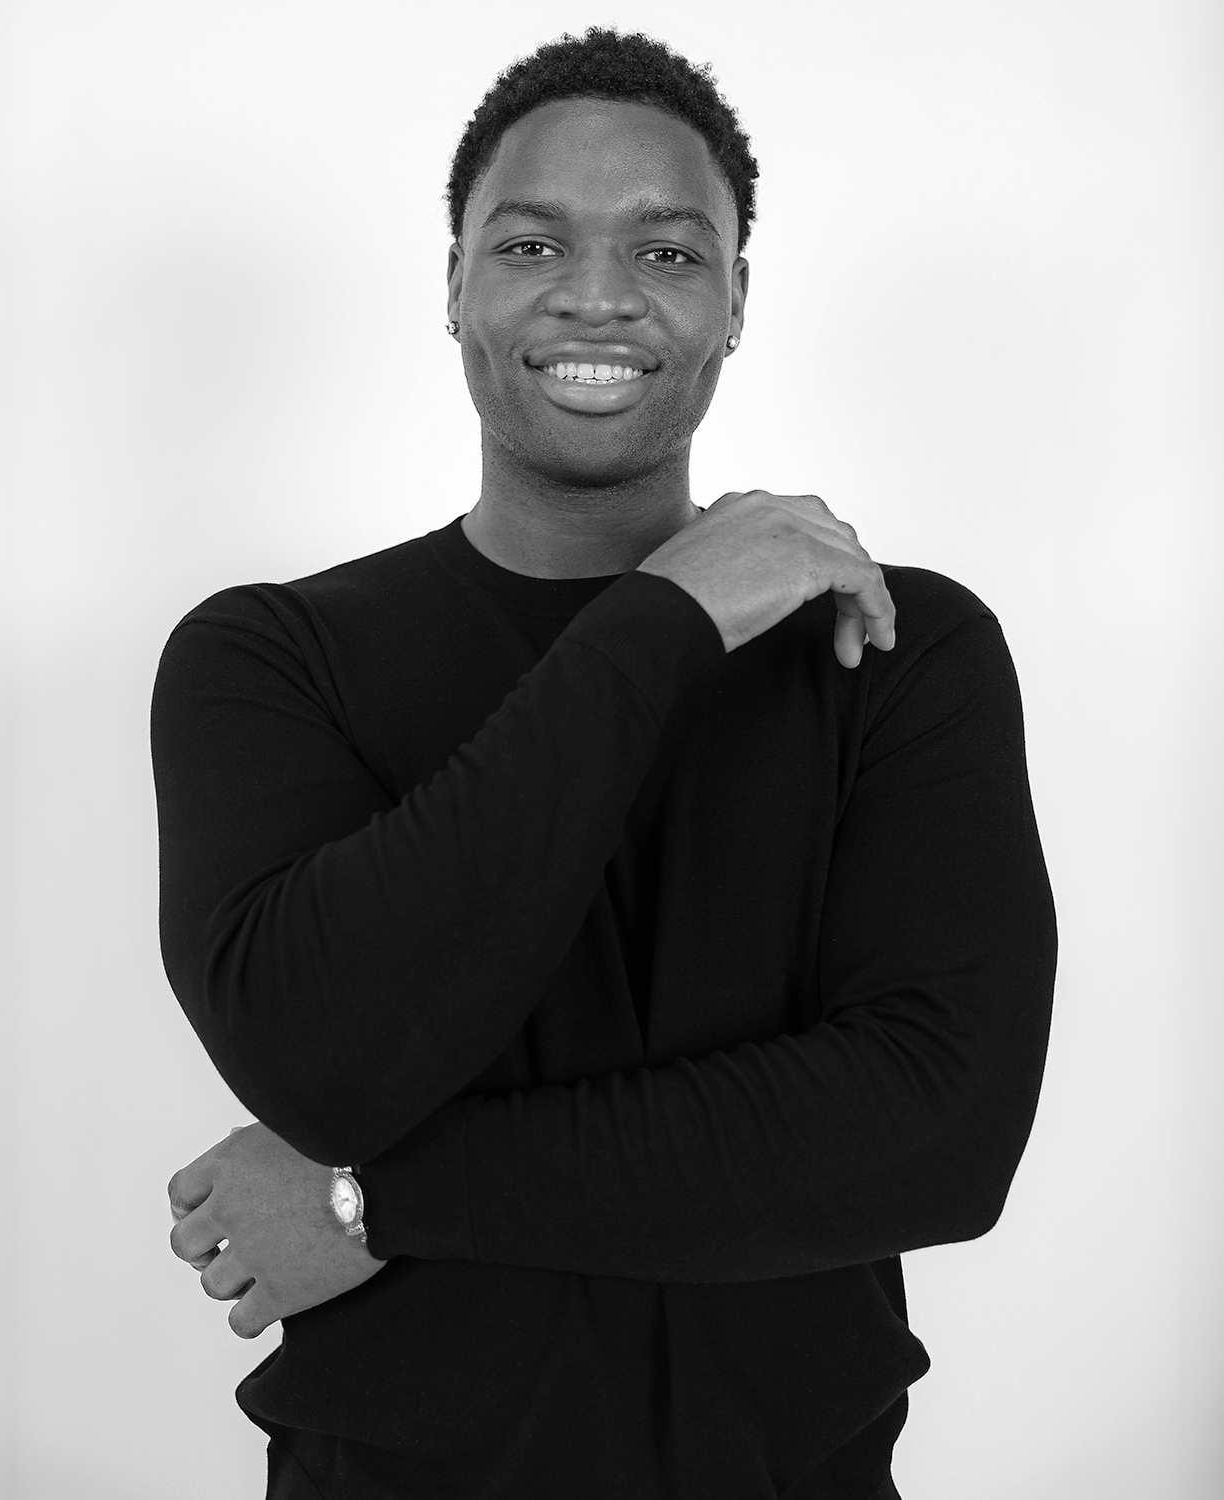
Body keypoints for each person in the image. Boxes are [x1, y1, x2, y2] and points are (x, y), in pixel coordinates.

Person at [154, 26, 1056, 1500]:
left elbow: (933, 1140)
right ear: (452, 284)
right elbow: (321, 1050)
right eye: (528, 244)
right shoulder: (266, 659)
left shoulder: (895, 647)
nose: (595, 295)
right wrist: (667, 615)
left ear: (734, 302)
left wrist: (375, 1200)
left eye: (667, 253)